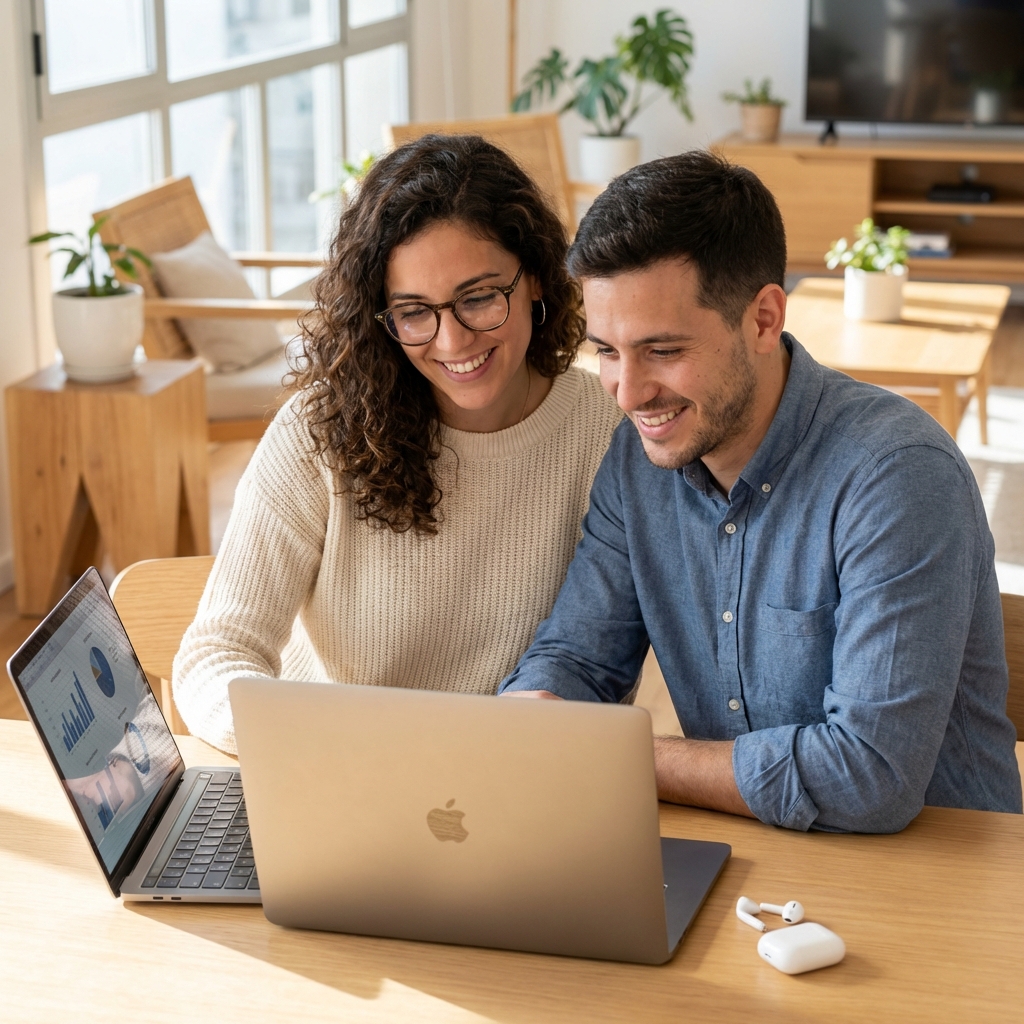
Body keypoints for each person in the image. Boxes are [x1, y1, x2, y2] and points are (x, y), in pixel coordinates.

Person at [500, 149, 1022, 833]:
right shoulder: (638, 460)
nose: (627, 393)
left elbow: (870, 777)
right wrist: (530, 711)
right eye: (605, 351)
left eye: (662, 351)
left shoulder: (899, 475)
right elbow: (577, 655)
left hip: (942, 877)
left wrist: (613, 755)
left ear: (764, 319)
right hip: (757, 861)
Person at [173, 135, 622, 753]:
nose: (452, 341)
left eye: (479, 297)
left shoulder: (609, 432)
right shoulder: (319, 432)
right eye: (414, 311)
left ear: (538, 279)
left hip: (522, 784)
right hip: (335, 770)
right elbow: (216, 652)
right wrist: (298, 740)